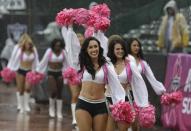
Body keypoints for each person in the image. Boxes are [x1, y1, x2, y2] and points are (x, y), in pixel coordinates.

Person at [76, 37, 126, 131]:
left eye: (96, 46)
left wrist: (120, 105)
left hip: (100, 106)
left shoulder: (107, 66)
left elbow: (116, 86)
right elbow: (71, 48)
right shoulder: (81, 63)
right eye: (90, 47)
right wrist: (69, 28)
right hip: (83, 104)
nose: (94, 49)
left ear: (99, 48)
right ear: (86, 50)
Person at [106, 36, 148, 131]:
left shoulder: (130, 64)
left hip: (124, 100)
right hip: (108, 99)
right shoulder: (107, 64)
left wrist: (143, 102)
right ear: (112, 50)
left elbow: (139, 83)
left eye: (122, 49)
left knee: (123, 129)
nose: (120, 51)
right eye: (117, 49)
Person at [36, 38, 69, 119]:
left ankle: (59, 112)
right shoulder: (49, 51)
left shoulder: (63, 52)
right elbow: (44, 61)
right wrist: (38, 71)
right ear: (53, 45)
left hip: (60, 73)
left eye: (59, 45)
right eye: (56, 45)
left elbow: (67, 63)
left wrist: (68, 73)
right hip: (51, 73)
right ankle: (51, 109)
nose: (57, 47)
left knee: (59, 93)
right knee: (53, 91)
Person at [7, 33, 39, 113]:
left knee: (27, 88)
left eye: (30, 44)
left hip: (30, 71)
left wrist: (37, 70)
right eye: (27, 44)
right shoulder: (19, 49)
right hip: (20, 70)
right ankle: (20, 106)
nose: (29, 45)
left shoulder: (33, 49)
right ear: (24, 44)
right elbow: (13, 59)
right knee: (20, 89)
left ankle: (26, 105)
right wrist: (9, 69)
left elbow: (36, 60)